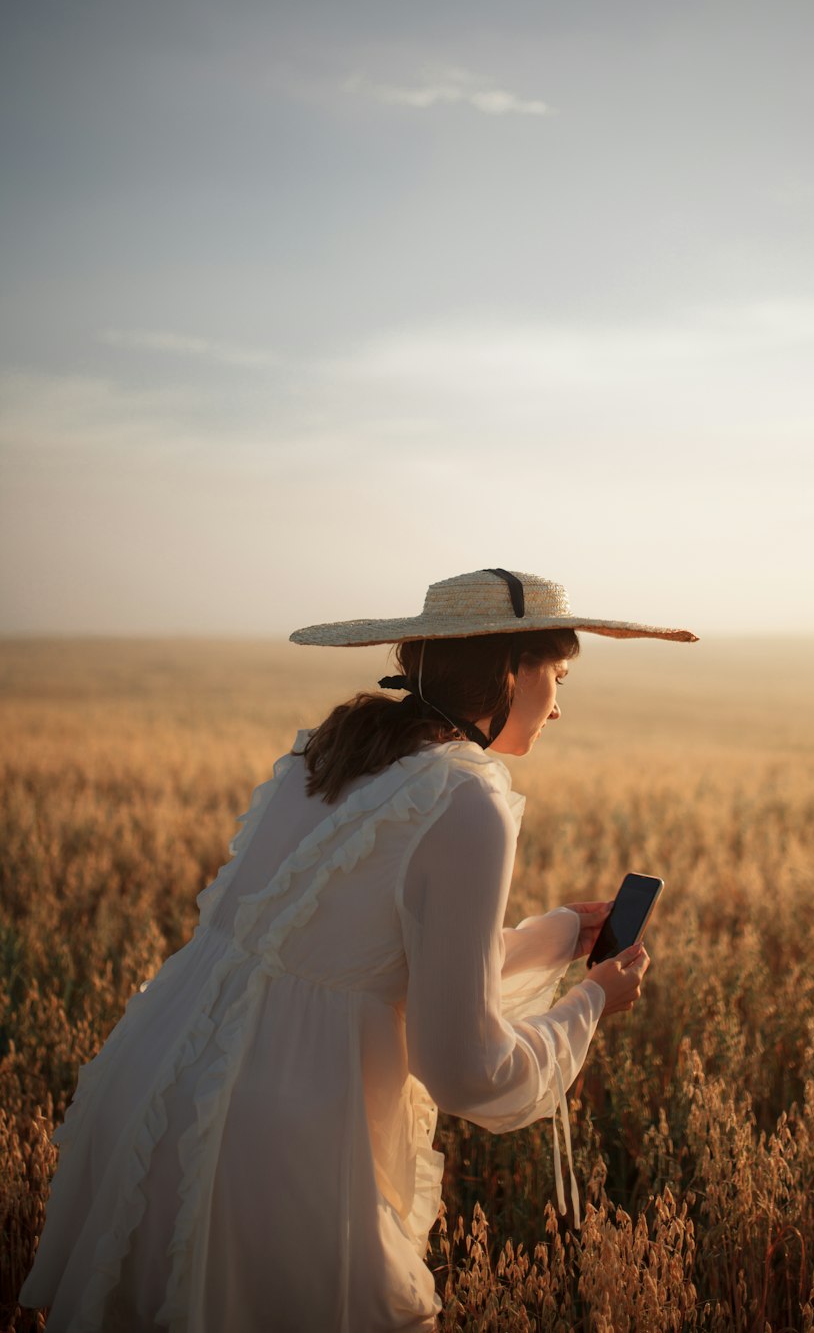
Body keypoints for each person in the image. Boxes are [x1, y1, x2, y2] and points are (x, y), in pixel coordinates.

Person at [21, 568, 697, 1332]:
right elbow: (466, 1068)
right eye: (558, 674)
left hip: (163, 1090)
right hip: (281, 1138)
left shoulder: (335, 753)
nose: (561, 704)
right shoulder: (469, 799)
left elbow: (353, 960)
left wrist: (556, 937)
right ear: (510, 669)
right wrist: (591, 1004)